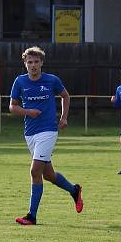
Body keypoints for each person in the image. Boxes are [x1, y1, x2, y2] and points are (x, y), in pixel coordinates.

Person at [10, 46, 83, 226]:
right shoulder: (19, 82)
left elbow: (65, 96)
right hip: (30, 133)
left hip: (48, 130)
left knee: (35, 171)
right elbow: (12, 106)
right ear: (25, 64)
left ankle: (31, 216)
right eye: (29, 62)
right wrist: (28, 111)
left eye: (36, 62)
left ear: (42, 63)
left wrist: (64, 117)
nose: (33, 65)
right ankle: (74, 190)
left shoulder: (52, 80)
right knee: (48, 175)